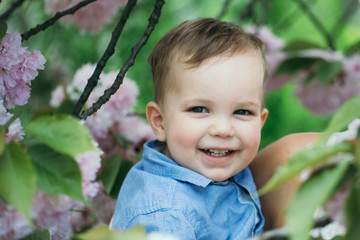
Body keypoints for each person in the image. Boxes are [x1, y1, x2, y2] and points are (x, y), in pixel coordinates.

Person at [110, 17, 318, 239]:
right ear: (160, 122)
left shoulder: (202, 162)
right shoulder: (167, 218)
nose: (223, 129)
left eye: (242, 112)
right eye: (199, 109)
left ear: (260, 121)